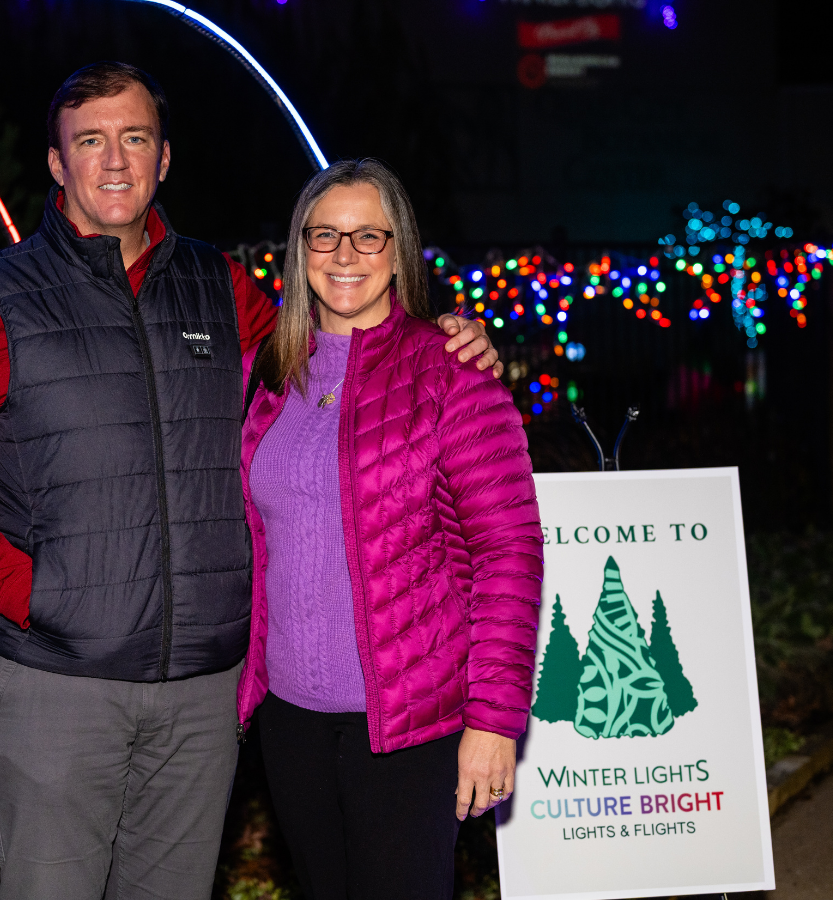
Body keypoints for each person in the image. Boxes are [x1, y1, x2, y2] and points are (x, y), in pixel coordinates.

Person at [0, 63, 500, 900]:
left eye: (134, 139)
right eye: (89, 142)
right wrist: (40, 595)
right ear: (58, 165)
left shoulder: (220, 288)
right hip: (58, 683)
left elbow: (339, 336)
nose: (113, 161)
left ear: (164, 158)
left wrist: (447, 337)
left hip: (205, 697)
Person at [236, 158, 544, 900]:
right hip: (291, 723)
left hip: (410, 729)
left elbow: (510, 553)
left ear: (399, 248)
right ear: (298, 249)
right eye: (325, 236)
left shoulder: (452, 376)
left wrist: (495, 723)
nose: (344, 255)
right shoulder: (266, 373)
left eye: (367, 236)